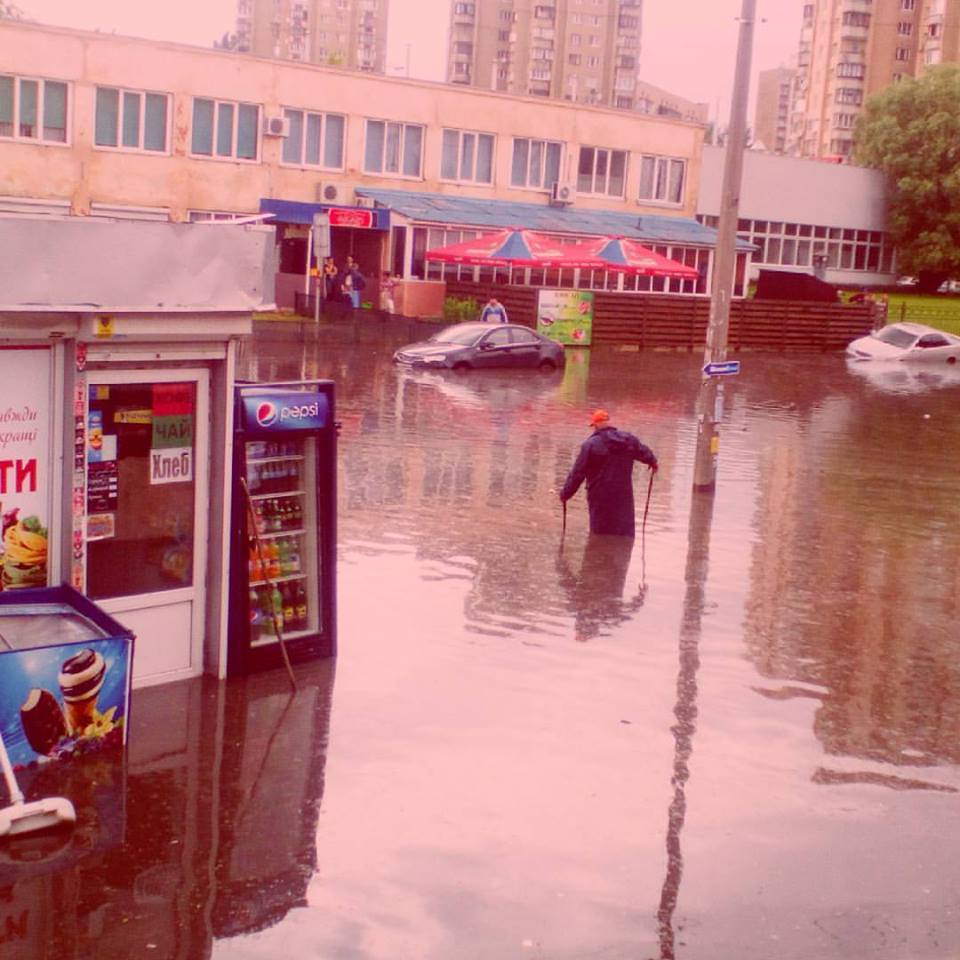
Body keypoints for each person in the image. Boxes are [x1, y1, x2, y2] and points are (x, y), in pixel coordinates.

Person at [559, 409, 658, 537]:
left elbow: (578, 473)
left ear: (595, 425)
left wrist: (565, 494)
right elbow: (645, 453)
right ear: (608, 423)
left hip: (599, 497)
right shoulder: (629, 440)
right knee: (624, 535)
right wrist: (653, 462)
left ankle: (599, 554)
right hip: (624, 497)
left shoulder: (590, 445)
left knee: (599, 535)